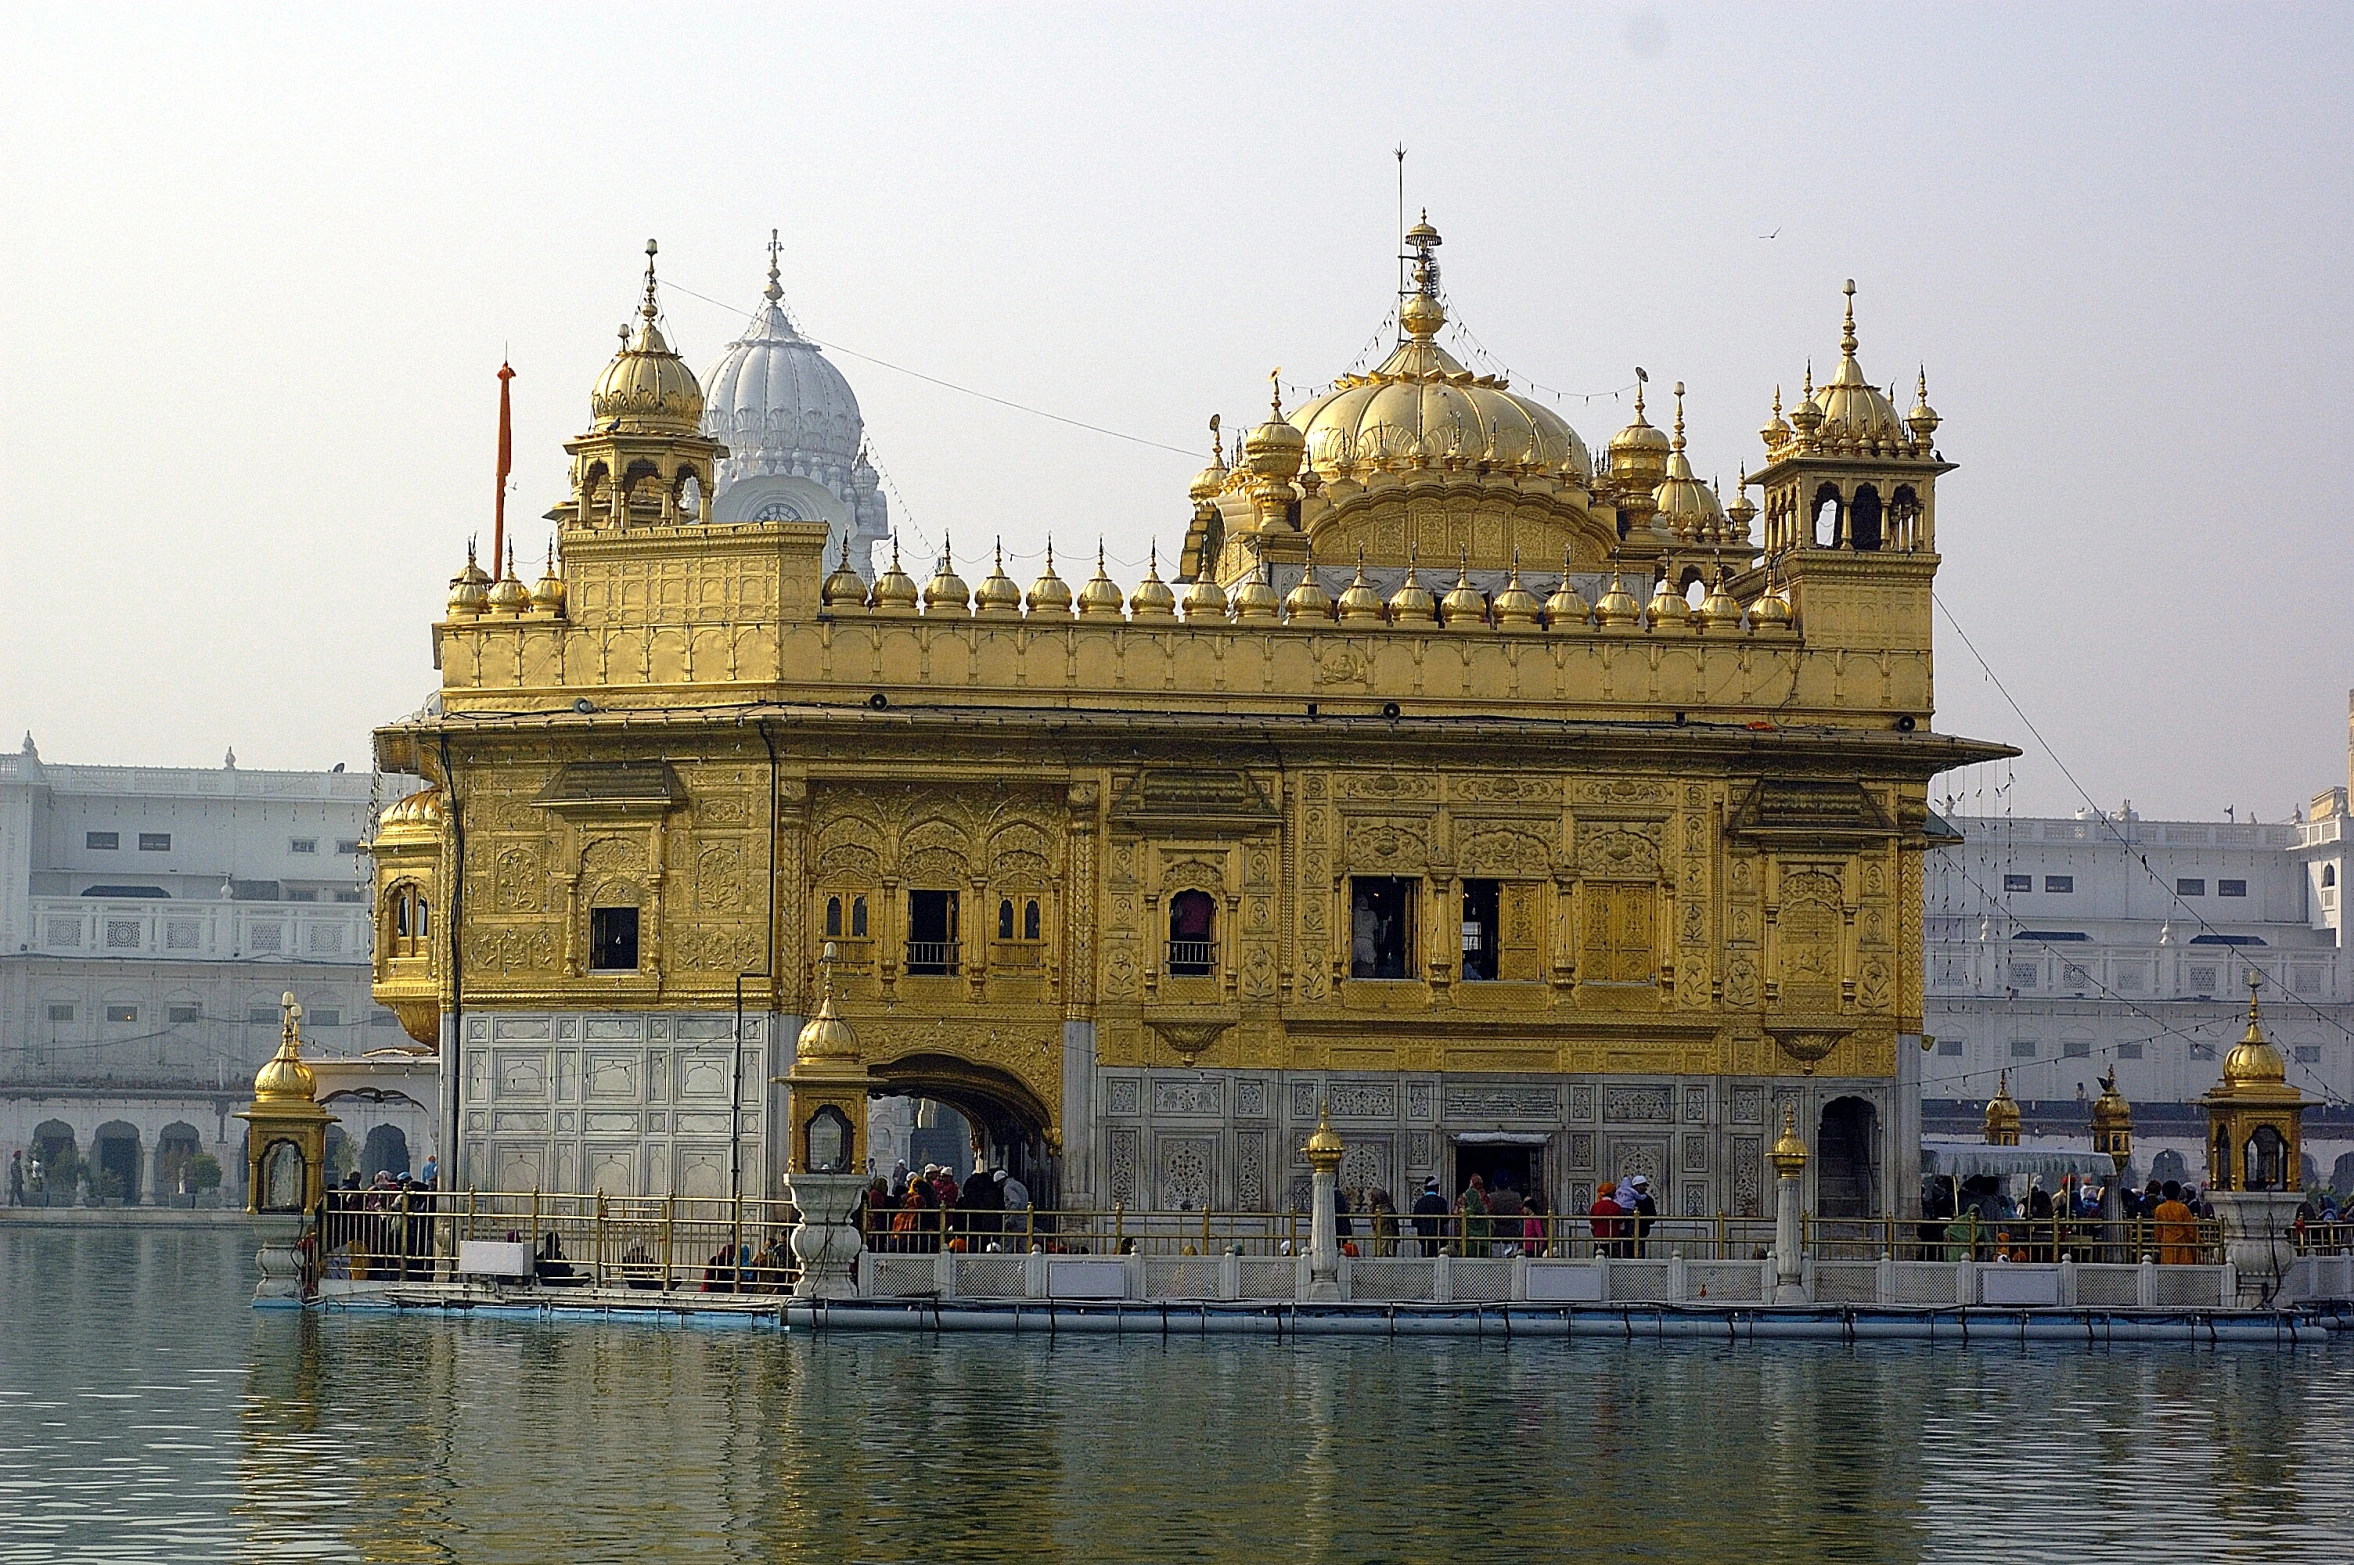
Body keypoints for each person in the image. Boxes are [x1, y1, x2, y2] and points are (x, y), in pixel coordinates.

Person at [2151, 1179, 2198, 1265]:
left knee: (2168, 1272)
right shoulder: (2183, 1208)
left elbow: (2158, 1230)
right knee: (2183, 1273)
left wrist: (2157, 1243)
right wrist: (2199, 1242)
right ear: (2178, 1193)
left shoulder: (2159, 1209)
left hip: (2167, 1246)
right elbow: (2191, 1229)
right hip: (2182, 1246)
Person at [1411, 1178, 1447, 1256]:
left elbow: (1414, 1222)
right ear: (1436, 1187)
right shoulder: (1441, 1201)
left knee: (1426, 1259)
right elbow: (1445, 1219)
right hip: (1438, 1236)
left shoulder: (1420, 1202)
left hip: (1424, 1237)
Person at [1457, 1174, 1490, 1258]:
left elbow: (1456, 1214)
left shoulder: (1465, 1202)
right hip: (1483, 1240)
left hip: (1468, 1240)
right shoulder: (1484, 1198)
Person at [1589, 1181, 1621, 1257]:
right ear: (1612, 1193)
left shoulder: (1595, 1206)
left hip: (1599, 1240)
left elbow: (1591, 1225)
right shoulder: (1617, 1207)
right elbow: (1621, 1226)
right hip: (1613, 1240)